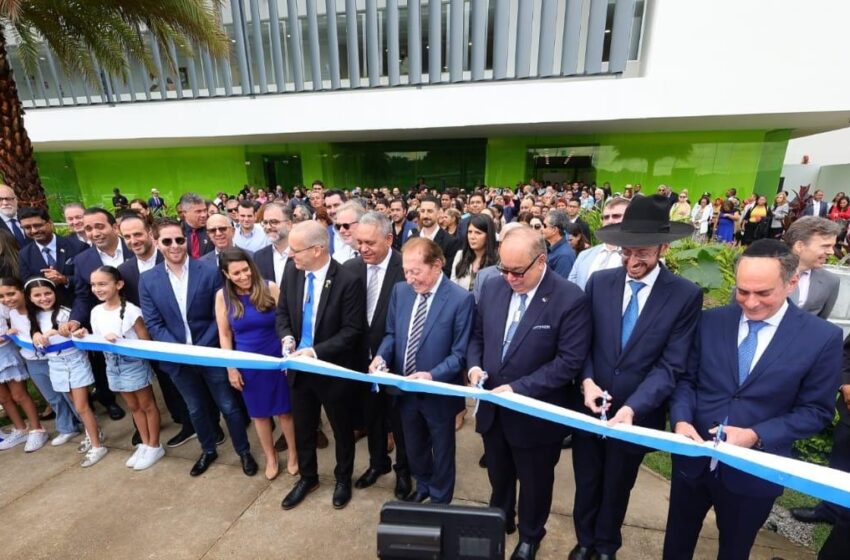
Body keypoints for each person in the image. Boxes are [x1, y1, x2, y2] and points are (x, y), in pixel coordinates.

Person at [663, 239, 842, 560]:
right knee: (676, 544)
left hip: (755, 473)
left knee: (734, 550)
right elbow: (687, 381)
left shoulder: (821, 338)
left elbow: (815, 411)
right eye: (742, 291)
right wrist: (681, 419)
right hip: (692, 460)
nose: (750, 302)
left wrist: (757, 435)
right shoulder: (711, 321)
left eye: (763, 293)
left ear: (791, 283)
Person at [571, 194, 702, 560]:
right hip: (588, 407)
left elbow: (672, 365)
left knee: (617, 485)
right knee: (587, 481)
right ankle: (584, 541)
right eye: (626, 252)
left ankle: (606, 545)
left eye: (641, 252)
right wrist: (587, 382)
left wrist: (632, 407)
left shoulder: (684, 295)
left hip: (636, 414)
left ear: (663, 246)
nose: (631, 260)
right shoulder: (599, 282)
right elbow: (583, 344)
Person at [467, 226, 591, 560]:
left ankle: (530, 535)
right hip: (493, 408)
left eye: (517, 271)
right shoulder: (493, 286)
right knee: (498, 472)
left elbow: (569, 361)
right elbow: (477, 336)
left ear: (542, 261)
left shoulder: (569, 298)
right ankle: (501, 517)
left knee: (535, 484)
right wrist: (474, 367)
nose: (509, 277)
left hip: (536, 415)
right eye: (503, 268)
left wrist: (519, 388)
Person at [139, 218, 257, 478]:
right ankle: (208, 450)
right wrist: (182, 351)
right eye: (167, 241)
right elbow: (153, 323)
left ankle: (244, 452)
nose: (174, 246)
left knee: (229, 406)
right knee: (195, 409)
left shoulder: (210, 271)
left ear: (186, 239)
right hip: (179, 361)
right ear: (156, 243)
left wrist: (202, 349)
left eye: (179, 240)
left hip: (211, 353)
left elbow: (222, 315)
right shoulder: (148, 280)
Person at [371, 237, 474, 505]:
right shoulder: (401, 292)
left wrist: (432, 375)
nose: (410, 278)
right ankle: (424, 484)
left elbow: (460, 354)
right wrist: (381, 356)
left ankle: (440, 499)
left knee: (442, 450)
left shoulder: (461, 300)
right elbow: (392, 334)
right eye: (406, 270)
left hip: (438, 392)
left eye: (416, 271)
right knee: (414, 447)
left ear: (437, 265)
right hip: (405, 390)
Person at [276, 221, 367, 511]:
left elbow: (352, 331)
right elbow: (282, 313)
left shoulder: (347, 280)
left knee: (342, 429)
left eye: (295, 249)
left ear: (317, 250)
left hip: (331, 370)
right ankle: (308, 477)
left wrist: (314, 352)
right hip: (299, 370)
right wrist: (288, 337)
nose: (291, 255)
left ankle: (342, 479)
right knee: (304, 427)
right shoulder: (293, 271)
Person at [343, 211, 412, 499]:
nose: (363, 248)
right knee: (371, 416)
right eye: (359, 242)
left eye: (370, 242)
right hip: (362, 362)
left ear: (389, 238)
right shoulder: (351, 268)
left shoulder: (407, 268)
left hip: (397, 363)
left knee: (400, 422)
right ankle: (377, 463)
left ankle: (404, 471)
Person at [215, 248, 298, 480]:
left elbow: (287, 322)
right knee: (259, 415)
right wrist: (231, 367)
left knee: (285, 412)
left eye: (245, 270)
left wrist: (289, 355)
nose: (243, 276)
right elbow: (224, 335)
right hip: (248, 363)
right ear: (226, 274)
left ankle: (293, 453)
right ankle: (271, 457)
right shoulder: (222, 297)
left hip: (276, 359)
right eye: (236, 273)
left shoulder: (269, 287)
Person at [117, 214, 194, 448]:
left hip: (180, 337)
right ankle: (181, 421)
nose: (133, 240)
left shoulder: (172, 256)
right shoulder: (124, 269)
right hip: (146, 339)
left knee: (187, 385)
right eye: (127, 236)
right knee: (165, 384)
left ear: (150, 235)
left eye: (138, 234)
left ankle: (199, 424)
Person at [78, 266, 164, 470]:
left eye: (102, 284)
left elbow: (145, 341)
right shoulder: (96, 311)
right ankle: (144, 443)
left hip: (133, 363)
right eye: (93, 285)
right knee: (133, 406)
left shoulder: (132, 311)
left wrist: (122, 340)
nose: (97, 288)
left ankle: (154, 445)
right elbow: (97, 338)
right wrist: (84, 335)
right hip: (111, 364)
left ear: (118, 285)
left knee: (147, 405)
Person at [26, 278, 107, 467]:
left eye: (47, 293)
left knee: (81, 406)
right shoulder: (34, 317)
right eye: (37, 295)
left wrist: (62, 332)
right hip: (55, 364)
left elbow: (78, 332)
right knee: (74, 402)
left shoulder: (65, 313)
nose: (43, 298)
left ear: (55, 292)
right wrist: (36, 335)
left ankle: (97, 446)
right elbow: (35, 337)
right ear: (29, 298)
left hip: (74, 361)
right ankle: (93, 432)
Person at [60, 208, 126, 421]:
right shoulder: (82, 260)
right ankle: (111, 403)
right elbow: (82, 296)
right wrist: (75, 320)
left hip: (140, 323)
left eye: (99, 226)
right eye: (89, 228)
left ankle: (179, 416)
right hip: (105, 329)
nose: (94, 232)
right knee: (108, 370)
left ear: (114, 227)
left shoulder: (134, 248)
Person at [2, 277, 81, 447]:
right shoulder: (12, 313)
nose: (8, 299)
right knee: (52, 398)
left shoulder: (41, 313)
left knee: (69, 396)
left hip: (53, 359)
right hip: (33, 362)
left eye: (12, 293)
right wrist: (11, 331)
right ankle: (67, 428)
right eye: (2, 296)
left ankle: (86, 425)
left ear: (24, 293)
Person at [0, 296, 48, 452]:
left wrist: (10, 332)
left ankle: (37, 429)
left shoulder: (2, 306)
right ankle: (20, 429)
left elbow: (14, 317)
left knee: (19, 394)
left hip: (5, 353)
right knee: (3, 398)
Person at [19, 207, 87, 307]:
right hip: (47, 310)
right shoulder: (24, 254)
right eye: (27, 227)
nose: (33, 231)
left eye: (37, 225)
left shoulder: (78, 246)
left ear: (50, 223)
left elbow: (88, 278)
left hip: (79, 304)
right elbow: (28, 283)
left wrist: (65, 279)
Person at [569, 198, 629, 291]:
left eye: (616, 216)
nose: (610, 221)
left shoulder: (638, 258)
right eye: (605, 217)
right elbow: (571, 289)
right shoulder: (584, 255)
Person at [450, 213, 498, 291]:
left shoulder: (498, 260)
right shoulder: (460, 255)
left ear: (488, 235)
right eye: (470, 232)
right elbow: (453, 286)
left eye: (478, 233)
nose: (472, 237)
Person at [254, 203, 293, 287]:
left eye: (274, 222)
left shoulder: (302, 253)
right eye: (265, 222)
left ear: (289, 225)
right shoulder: (258, 257)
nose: (268, 227)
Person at [542, 210, 577, 279]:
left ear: (554, 230)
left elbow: (560, 284)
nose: (542, 229)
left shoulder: (565, 255)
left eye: (545, 226)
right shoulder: (550, 247)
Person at [179, 193, 214, 259]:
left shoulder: (214, 229)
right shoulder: (177, 231)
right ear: (185, 213)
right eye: (198, 211)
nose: (204, 215)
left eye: (205, 210)